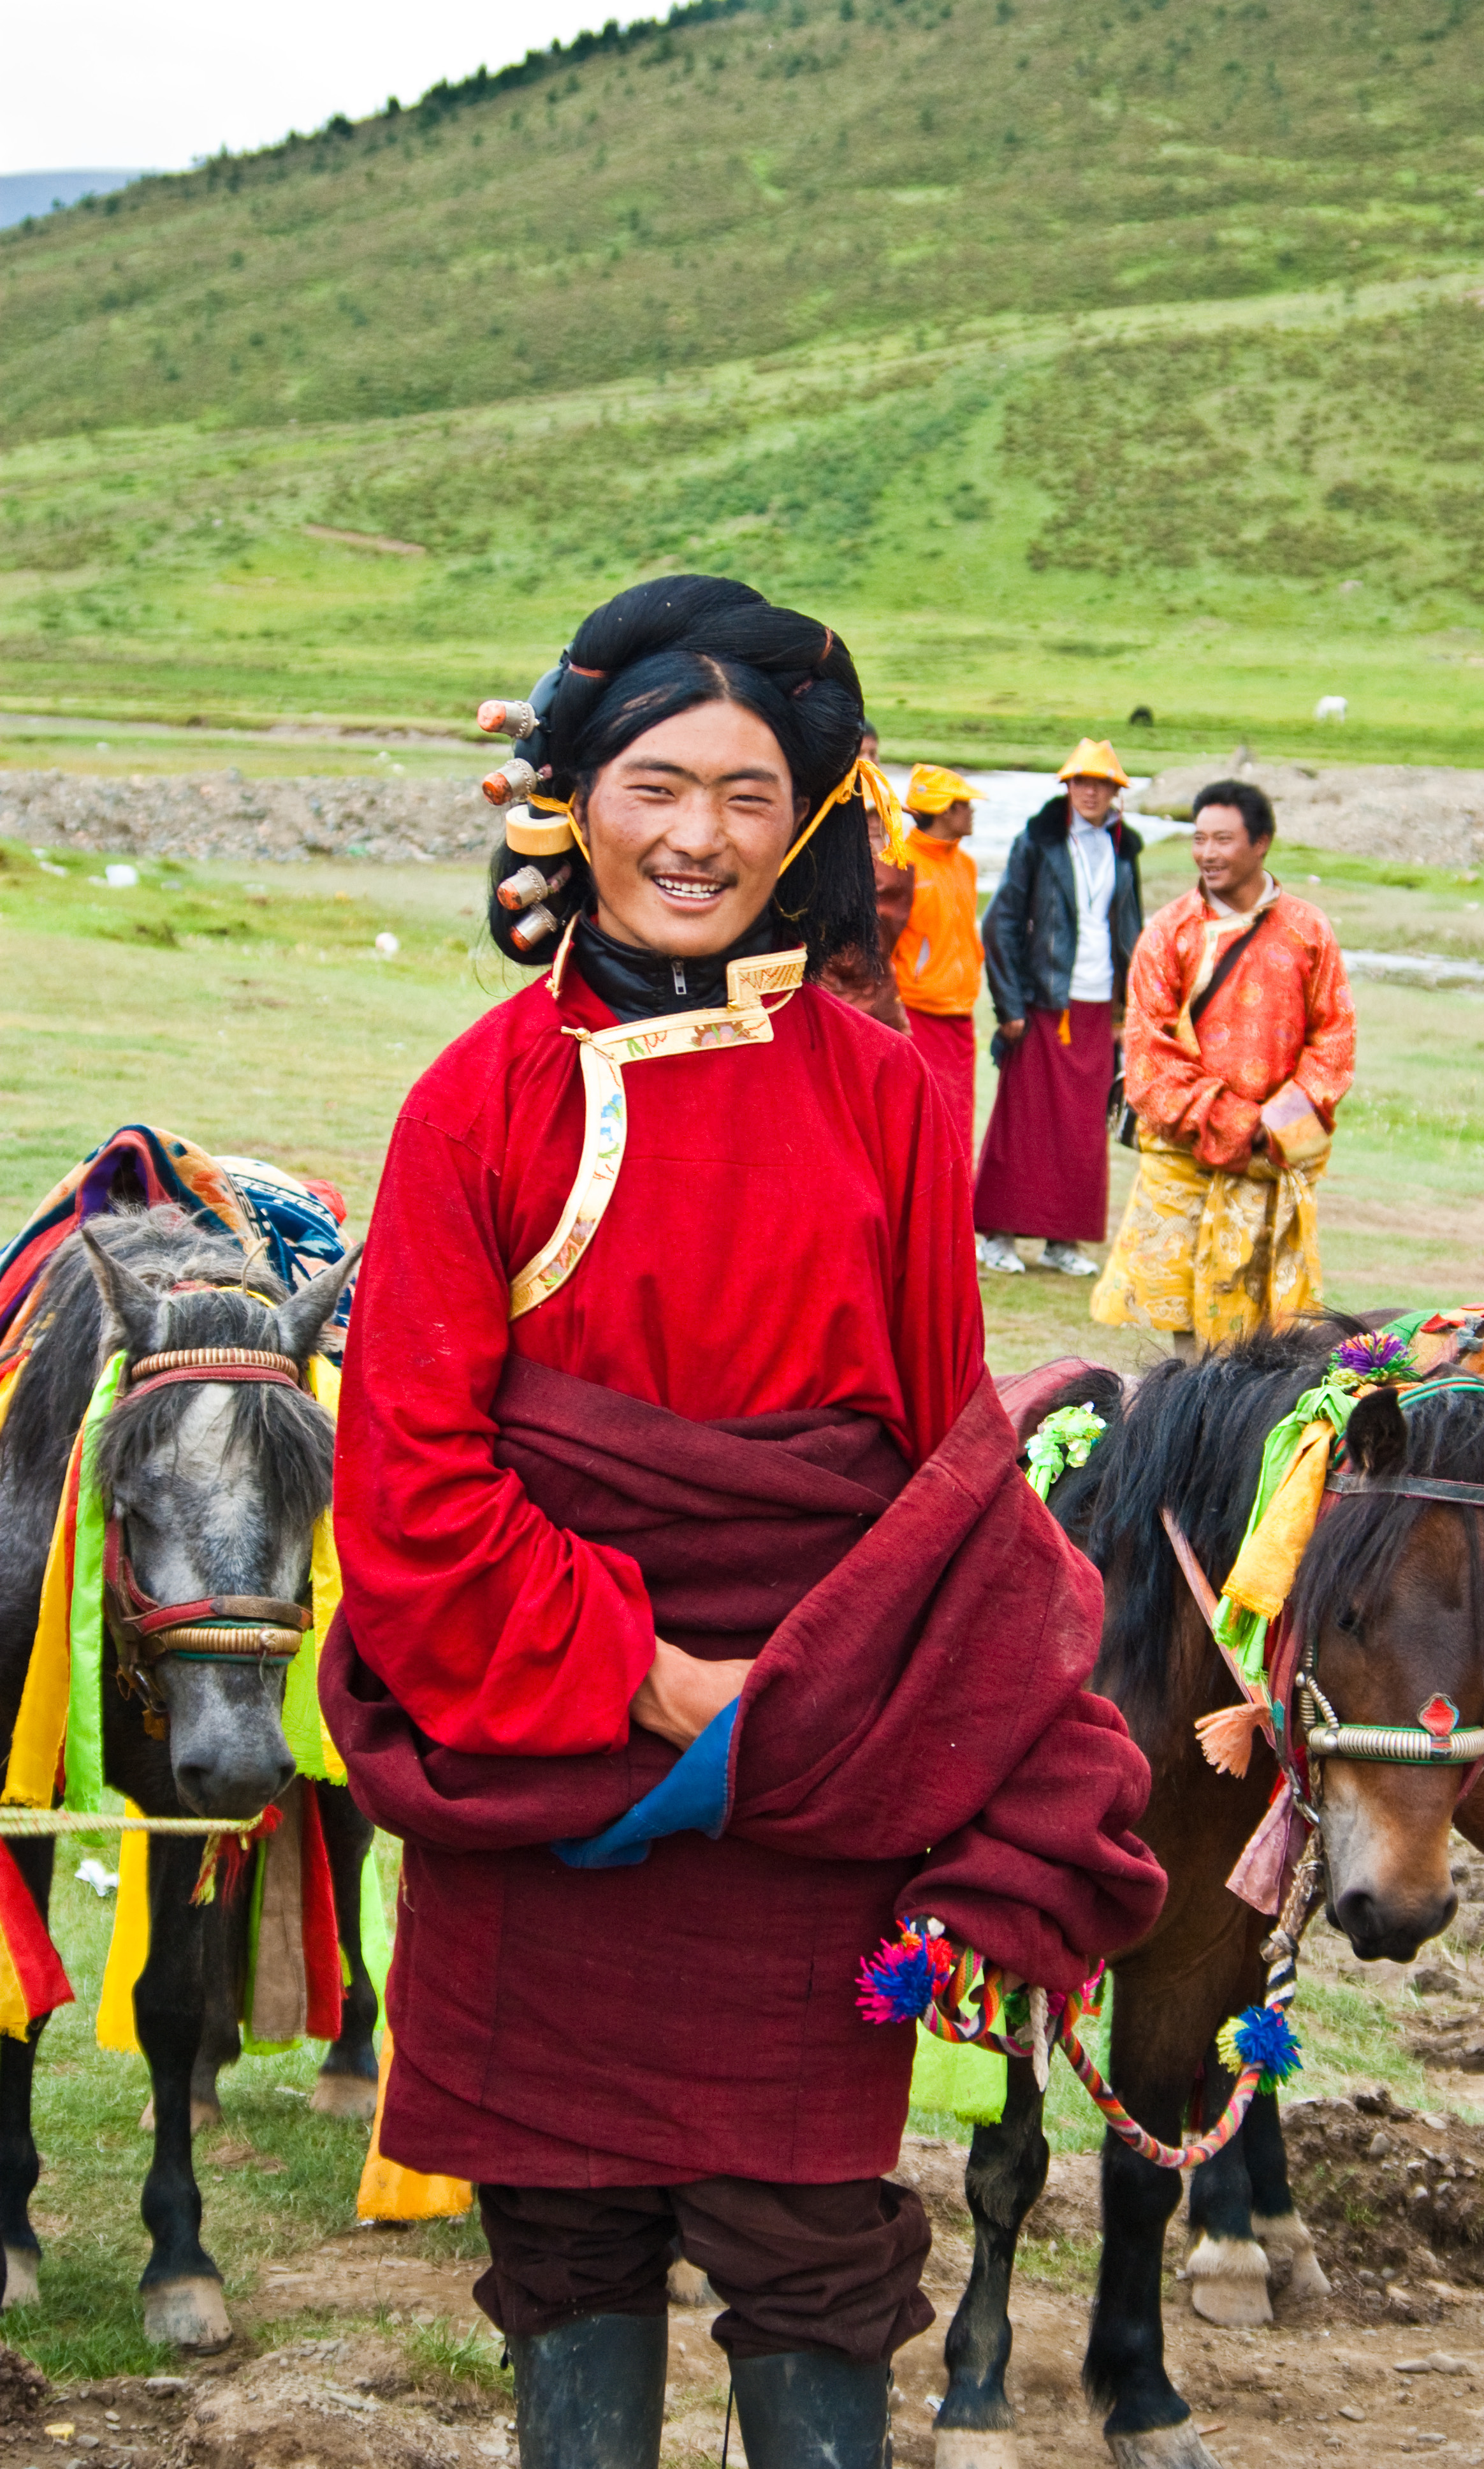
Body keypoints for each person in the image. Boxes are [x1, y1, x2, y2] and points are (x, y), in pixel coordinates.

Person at [319, 578, 1164, 2469]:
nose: (699, 835)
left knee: (811, 2248)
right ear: (575, 797)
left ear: (805, 830)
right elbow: (413, 1481)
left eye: (751, 796)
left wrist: (883, 1711)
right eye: (658, 783)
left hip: (813, 1785)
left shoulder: (876, 1089)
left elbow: (950, 1463)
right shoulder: (478, 1103)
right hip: (556, 1788)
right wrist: (647, 1679)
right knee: (569, 2242)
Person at [1091, 776, 1356, 1354]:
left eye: (1223, 840)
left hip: (1270, 1158)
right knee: (1188, 1341)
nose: (1207, 854)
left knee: (1265, 1336)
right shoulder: (1168, 933)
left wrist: (1277, 1123)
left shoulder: (1309, 931)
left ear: (1261, 844)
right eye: (1199, 839)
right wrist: (1237, 1122)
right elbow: (1148, 1052)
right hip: (1186, 1157)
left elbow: (1333, 1037)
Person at [973, 739, 1144, 1276]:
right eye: (1082, 782)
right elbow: (1000, 921)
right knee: (1024, 1121)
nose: (1091, 792)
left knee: (1083, 1128)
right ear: (1067, 787)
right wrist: (1011, 1003)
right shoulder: (1038, 841)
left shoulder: (1124, 848)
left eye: (1102, 784)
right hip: (1043, 1004)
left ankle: (1063, 1242)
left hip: (1098, 1006)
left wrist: (1128, 1011)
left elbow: (1132, 931)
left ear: (1115, 792)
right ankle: (997, 1236)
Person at [890, 763, 985, 1162]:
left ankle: (954, 1222)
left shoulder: (966, 865)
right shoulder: (900, 863)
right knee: (923, 1130)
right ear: (945, 810)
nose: (972, 811)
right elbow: (884, 945)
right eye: (965, 804)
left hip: (960, 1016)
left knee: (959, 1129)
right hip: (917, 1017)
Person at [817, 720, 914, 1032]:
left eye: (875, 755)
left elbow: (887, 929)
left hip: (879, 995)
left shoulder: (884, 826)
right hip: (832, 996)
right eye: (861, 755)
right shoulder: (818, 828)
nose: (870, 765)